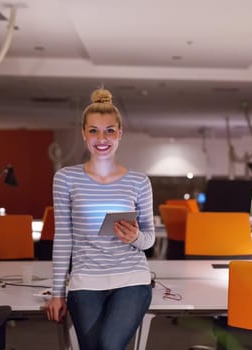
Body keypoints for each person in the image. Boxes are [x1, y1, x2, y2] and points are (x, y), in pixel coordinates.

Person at [45, 87, 155, 350]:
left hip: (131, 278)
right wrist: (58, 292)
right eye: (93, 130)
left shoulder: (139, 181)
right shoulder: (66, 179)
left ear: (120, 133)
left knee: (108, 345)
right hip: (85, 280)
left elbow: (150, 239)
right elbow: (63, 238)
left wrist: (136, 237)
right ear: (84, 134)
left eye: (109, 130)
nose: (101, 138)